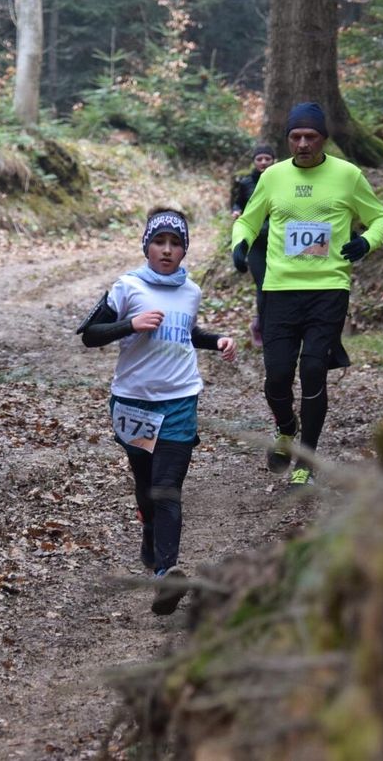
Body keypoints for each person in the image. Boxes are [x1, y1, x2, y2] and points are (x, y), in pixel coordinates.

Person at [79, 208, 237, 615]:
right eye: (159, 242)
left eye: (175, 244)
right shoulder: (127, 287)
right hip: (134, 401)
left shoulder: (191, 291)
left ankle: (166, 575)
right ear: (146, 247)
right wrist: (130, 324)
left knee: (168, 487)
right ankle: (148, 528)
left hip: (181, 400)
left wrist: (217, 340)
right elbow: (90, 335)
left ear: (184, 250)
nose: (167, 250)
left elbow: (185, 333)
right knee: (146, 482)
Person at [230, 102, 383, 487]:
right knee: (277, 377)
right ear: (288, 139)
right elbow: (248, 221)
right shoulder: (273, 177)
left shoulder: (347, 175)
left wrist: (366, 242)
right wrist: (240, 245)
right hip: (280, 291)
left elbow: (381, 218)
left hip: (328, 290)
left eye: (311, 137)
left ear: (324, 139)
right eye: (296, 137)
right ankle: (287, 428)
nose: (303, 144)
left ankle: (306, 458)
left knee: (314, 370)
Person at [229, 144, 276, 346]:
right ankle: (261, 328)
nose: (263, 162)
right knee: (263, 285)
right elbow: (238, 202)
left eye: (267, 158)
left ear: (274, 160)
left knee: (279, 286)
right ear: (254, 162)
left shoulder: (282, 180)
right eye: (259, 159)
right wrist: (236, 211)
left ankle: (272, 324)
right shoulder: (246, 182)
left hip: (279, 242)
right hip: (256, 243)